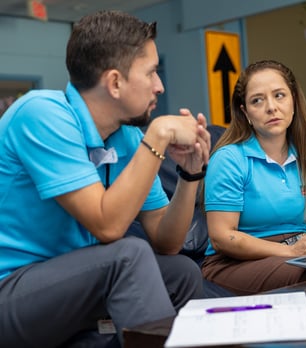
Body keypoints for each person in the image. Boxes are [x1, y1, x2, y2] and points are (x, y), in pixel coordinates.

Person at [0, 10, 211, 348]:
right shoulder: (41, 115)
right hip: (11, 290)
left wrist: (190, 174)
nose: (160, 86)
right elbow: (108, 226)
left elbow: (168, 242)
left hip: (71, 284)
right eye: (152, 72)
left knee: (182, 273)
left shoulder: (125, 136)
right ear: (114, 82)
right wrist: (156, 135)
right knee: (128, 254)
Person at [201, 60, 306, 296]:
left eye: (279, 95)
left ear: (293, 100)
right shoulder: (229, 158)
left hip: (297, 250)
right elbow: (223, 237)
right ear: (245, 112)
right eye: (257, 100)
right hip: (235, 262)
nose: (271, 107)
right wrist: (292, 251)